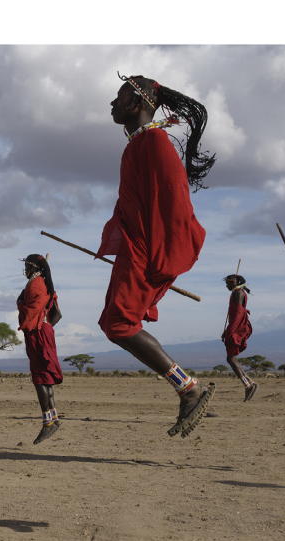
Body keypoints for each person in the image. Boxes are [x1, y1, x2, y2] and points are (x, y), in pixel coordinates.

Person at [96, 73, 216, 439]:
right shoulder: (138, 145)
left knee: (119, 323)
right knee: (113, 322)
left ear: (137, 103)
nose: (112, 104)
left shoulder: (155, 142)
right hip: (135, 249)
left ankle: (189, 388)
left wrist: (161, 258)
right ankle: (186, 387)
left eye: (118, 97)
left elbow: (177, 205)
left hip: (145, 252)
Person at [18, 254, 64, 444]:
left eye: (27, 266)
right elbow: (58, 314)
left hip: (38, 334)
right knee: (45, 378)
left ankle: (48, 423)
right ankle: (53, 418)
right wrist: (47, 327)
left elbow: (32, 310)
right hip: (44, 331)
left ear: (33, 268)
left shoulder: (36, 284)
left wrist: (20, 303)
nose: (25, 270)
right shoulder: (44, 284)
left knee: (39, 378)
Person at [220, 274, 256, 401]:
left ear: (234, 282)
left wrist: (230, 330)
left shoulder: (238, 293)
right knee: (232, 358)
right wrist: (226, 330)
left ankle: (248, 385)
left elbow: (238, 314)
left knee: (231, 359)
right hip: (235, 326)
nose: (226, 285)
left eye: (228, 283)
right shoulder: (237, 292)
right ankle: (249, 383)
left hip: (237, 327)